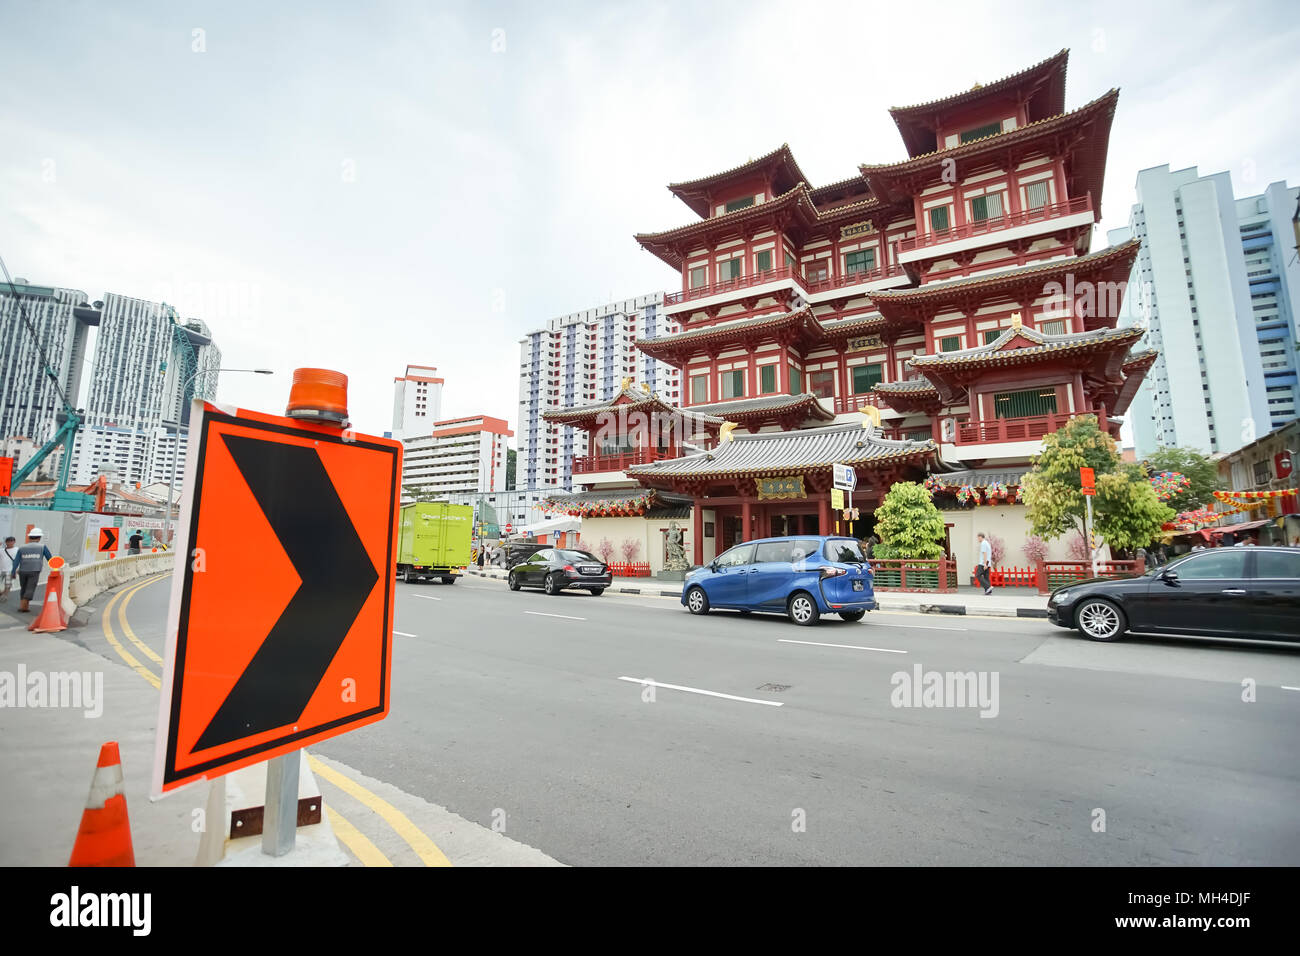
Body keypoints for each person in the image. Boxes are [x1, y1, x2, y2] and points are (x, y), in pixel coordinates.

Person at [13, 528, 53, 613]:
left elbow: (16, 560)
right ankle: (23, 606)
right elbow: (50, 558)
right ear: (39, 538)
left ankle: (24, 606)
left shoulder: (22, 547)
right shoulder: (42, 547)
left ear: (29, 537)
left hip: (22, 570)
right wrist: (55, 568)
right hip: (34, 570)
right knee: (30, 588)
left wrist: (13, 571)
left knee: (23, 588)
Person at [1, 536, 18, 604]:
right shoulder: (1, 550)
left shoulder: (17, 549)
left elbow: (19, 559)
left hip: (10, 570)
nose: (10, 543)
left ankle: (5, 596)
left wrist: (17, 569)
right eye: (8, 541)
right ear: (6, 542)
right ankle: (2, 593)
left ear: (14, 542)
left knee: (8, 584)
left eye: (12, 541)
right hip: (1, 569)